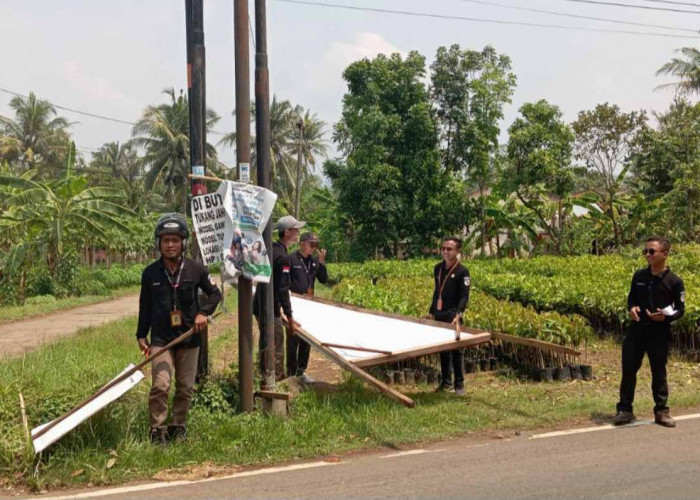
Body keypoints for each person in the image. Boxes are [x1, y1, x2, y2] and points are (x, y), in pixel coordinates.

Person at [136, 213, 222, 444]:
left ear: (183, 242)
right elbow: (145, 306)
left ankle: (178, 426)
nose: (170, 245)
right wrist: (141, 334)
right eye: (166, 241)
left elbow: (215, 294)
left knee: (185, 387)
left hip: (189, 338)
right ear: (159, 244)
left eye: (175, 240)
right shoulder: (150, 273)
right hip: (161, 340)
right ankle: (157, 429)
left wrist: (203, 313)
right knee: (161, 385)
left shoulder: (196, 269)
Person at [613, 236, 685, 427]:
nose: (647, 255)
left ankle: (661, 411)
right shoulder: (639, 276)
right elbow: (631, 299)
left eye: (652, 251)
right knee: (628, 370)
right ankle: (624, 410)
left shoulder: (674, 282)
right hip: (636, 332)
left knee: (659, 372)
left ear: (665, 254)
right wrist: (632, 308)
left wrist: (666, 316)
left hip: (659, 333)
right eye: (645, 251)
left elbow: (680, 309)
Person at [253, 215, 305, 384]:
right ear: (287, 232)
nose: (298, 234)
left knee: (266, 342)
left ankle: (263, 377)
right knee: (276, 344)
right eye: (296, 230)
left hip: (260, 304)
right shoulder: (283, 257)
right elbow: (283, 289)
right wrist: (289, 318)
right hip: (268, 307)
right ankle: (275, 382)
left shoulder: (271, 249)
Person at [426, 236, 471, 396]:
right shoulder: (437, 268)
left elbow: (464, 296)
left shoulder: (462, 271)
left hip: (453, 314)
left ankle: (459, 385)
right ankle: (446, 382)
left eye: (449, 249)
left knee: (456, 350)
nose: (445, 251)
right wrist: (431, 311)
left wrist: (459, 313)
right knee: (443, 349)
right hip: (440, 313)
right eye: (443, 248)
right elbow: (436, 291)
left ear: (457, 251)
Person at [288, 232, 328, 382]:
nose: (313, 247)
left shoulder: (313, 263)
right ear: (302, 243)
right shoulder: (291, 259)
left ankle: (301, 370)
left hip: (309, 305)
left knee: (307, 340)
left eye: (315, 245)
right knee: (293, 338)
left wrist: (322, 262)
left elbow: (323, 280)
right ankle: (291, 372)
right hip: (294, 304)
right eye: (311, 244)